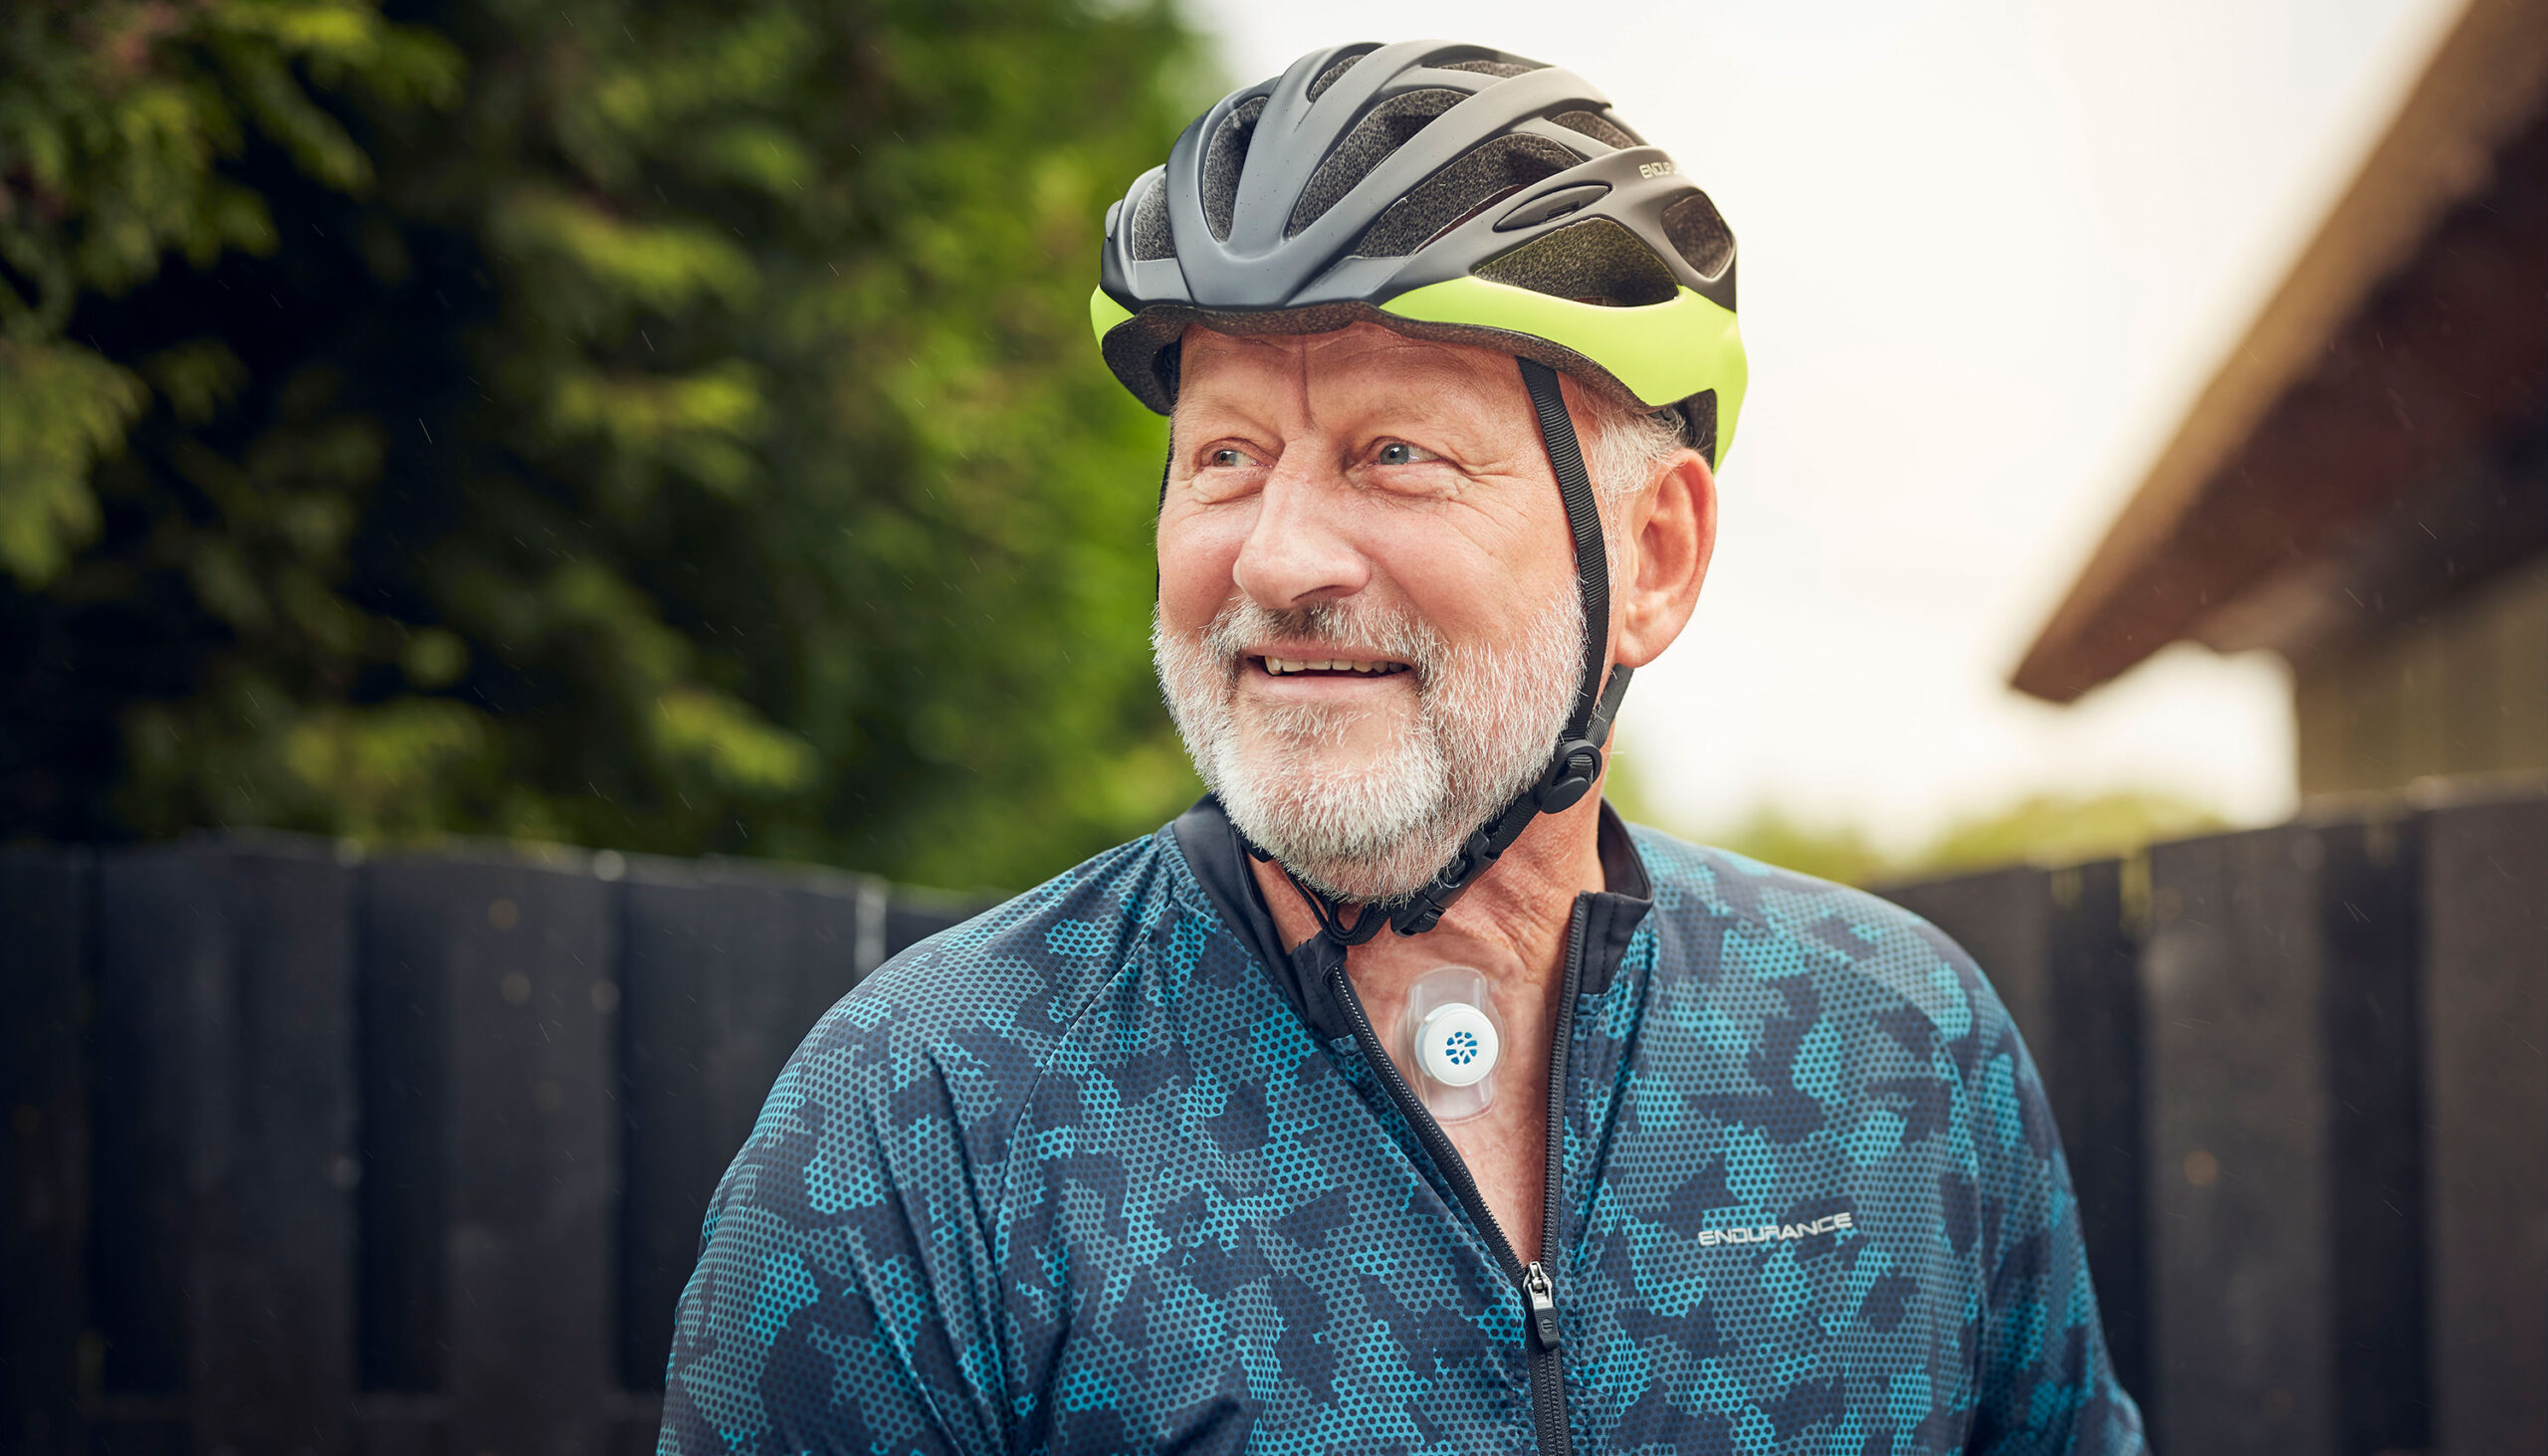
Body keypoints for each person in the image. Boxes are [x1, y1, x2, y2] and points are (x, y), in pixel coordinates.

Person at [658, 40, 2146, 1455]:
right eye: (1226, 458)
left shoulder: (1899, 1051)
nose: (1280, 559)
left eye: (1397, 456)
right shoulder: (931, 1115)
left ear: (1656, 552)